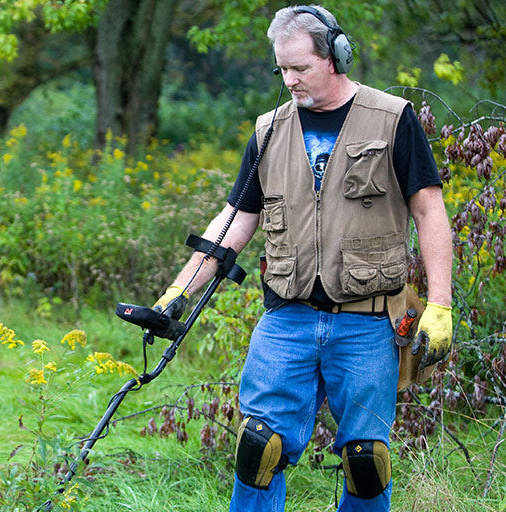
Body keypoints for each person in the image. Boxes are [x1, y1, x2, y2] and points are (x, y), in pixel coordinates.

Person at [151, 6, 453, 511]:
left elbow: (430, 211)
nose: (289, 80)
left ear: (336, 55)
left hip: (369, 320)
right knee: (259, 448)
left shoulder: (392, 118)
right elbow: (233, 224)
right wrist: (176, 294)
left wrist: (440, 304)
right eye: (282, 70)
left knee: (365, 460)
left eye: (300, 68)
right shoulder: (270, 130)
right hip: (286, 319)